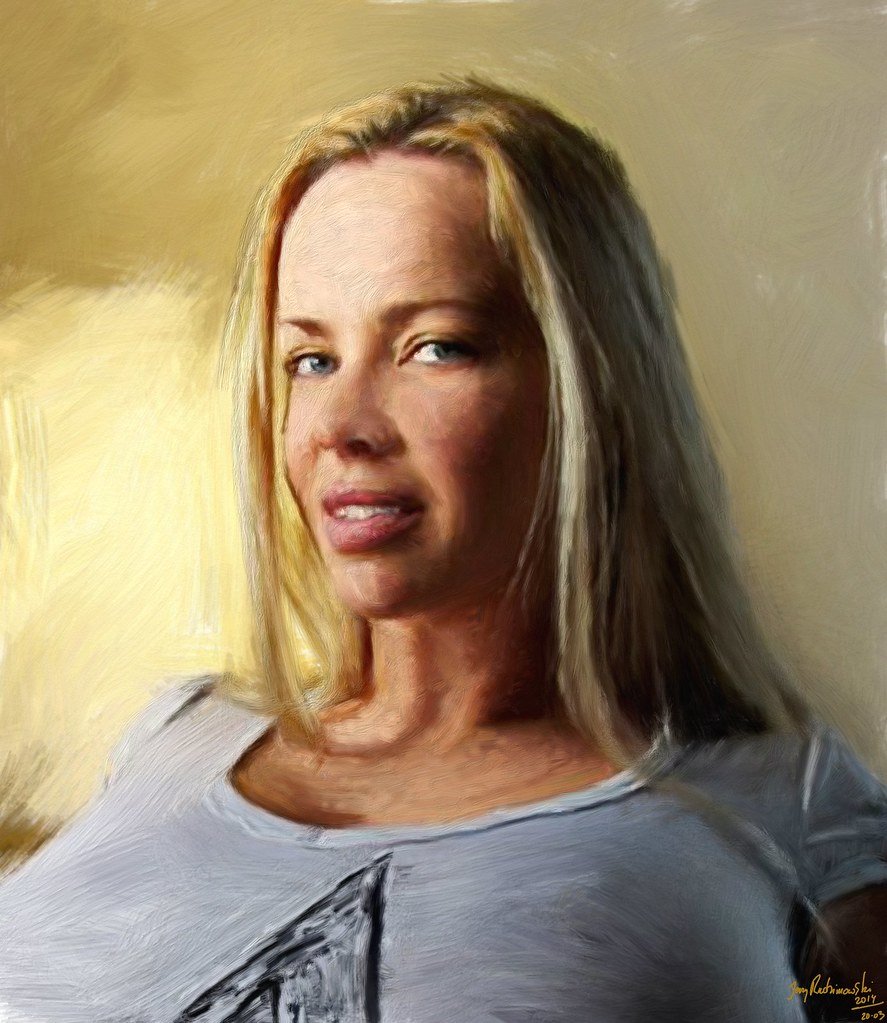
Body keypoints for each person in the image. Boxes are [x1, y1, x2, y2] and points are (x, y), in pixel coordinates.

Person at [0, 76, 884, 1023]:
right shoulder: (175, 738)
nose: (340, 426)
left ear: (590, 384)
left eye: (434, 346)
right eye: (311, 360)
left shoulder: (783, 805)